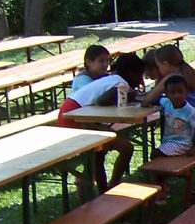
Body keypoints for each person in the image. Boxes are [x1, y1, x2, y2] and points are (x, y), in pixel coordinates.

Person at [55, 50, 137, 191]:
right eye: (101, 61)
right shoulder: (116, 81)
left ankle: (104, 188)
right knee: (121, 148)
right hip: (73, 119)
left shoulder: (108, 78)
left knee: (103, 151)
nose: (105, 64)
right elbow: (100, 102)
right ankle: (106, 187)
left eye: (107, 61)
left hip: (82, 118)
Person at [154, 74, 195, 158]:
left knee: (156, 154)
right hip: (168, 141)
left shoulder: (190, 111)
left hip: (183, 144)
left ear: (186, 92)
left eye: (180, 91)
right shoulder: (167, 103)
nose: (176, 95)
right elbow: (158, 99)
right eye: (172, 92)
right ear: (167, 93)